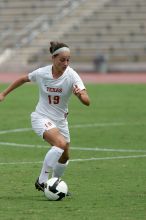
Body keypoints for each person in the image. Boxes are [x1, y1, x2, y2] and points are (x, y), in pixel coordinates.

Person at [0, 41, 90, 193]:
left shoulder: (72, 75)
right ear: (53, 58)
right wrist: (3, 93)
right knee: (60, 144)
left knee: (65, 156)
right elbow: (23, 79)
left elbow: (87, 101)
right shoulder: (42, 73)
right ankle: (42, 180)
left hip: (61, 121)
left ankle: (54, 183)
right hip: (41, 117)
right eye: (62, 60)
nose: (66, 63)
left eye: (68, 60)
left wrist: (80, 95)